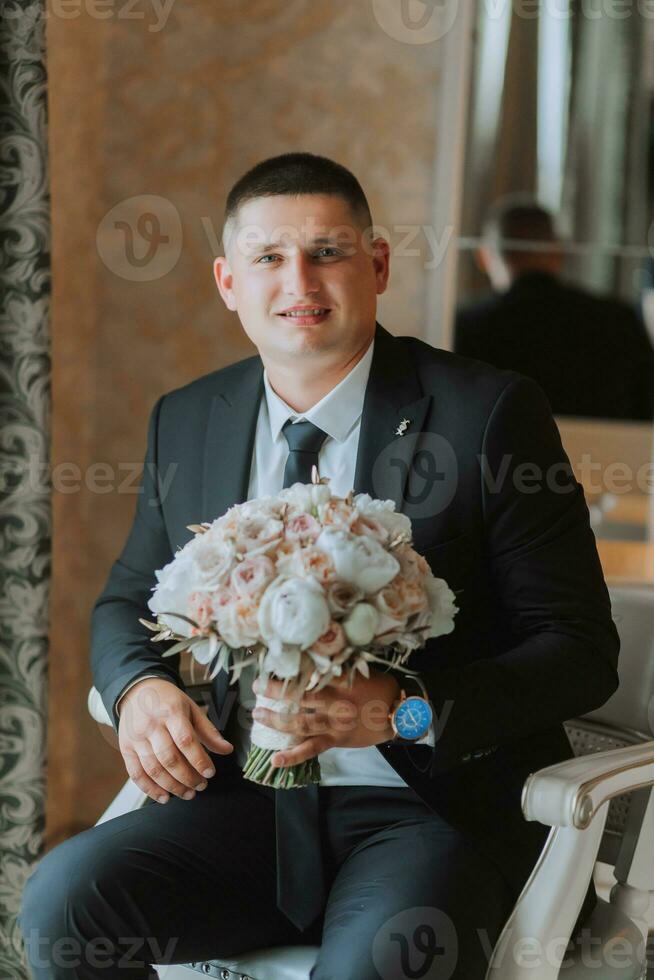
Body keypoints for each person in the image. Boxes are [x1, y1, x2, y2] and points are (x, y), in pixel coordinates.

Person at [18, 154, 620, 979]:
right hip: (243, 809)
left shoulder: (487, 413)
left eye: (327, 252)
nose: (298, 279)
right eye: (268, 258)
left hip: (427, 813)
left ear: (374, 265)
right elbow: (130, 596)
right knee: (64, 903)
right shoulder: (189, 417)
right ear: (230, 282)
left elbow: (579, 650)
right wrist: (138, 690)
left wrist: (404, 711)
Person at [454, 196, 654, 421]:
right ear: (559, 251)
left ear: (483, 256)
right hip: (613, 456)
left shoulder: (467, 326)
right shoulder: (618, 320)